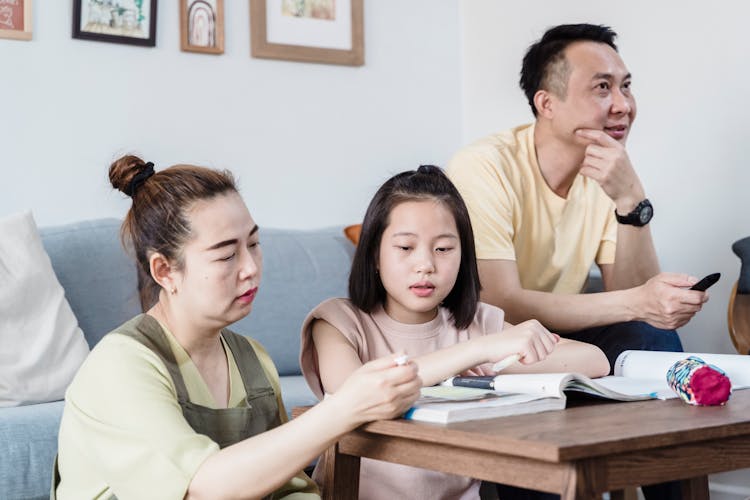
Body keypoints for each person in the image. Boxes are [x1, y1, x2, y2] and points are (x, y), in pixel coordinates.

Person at [53, 156, 422, 500]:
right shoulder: (120, 366)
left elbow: (288, 489)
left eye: (255, 244)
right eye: (227, 254)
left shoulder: (252, 361)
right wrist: (343, 408)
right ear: (165, 271)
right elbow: (200, 487)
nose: (251, 267)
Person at [446, 23, 702, 500]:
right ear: (547, 103)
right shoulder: (485, 166)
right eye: (602, 87)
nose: (623, 104)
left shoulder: (604, 173)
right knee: (633, 330)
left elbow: (642, 300)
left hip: (559, 337)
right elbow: (500, 302)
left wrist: (632, 200)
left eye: (626, 86)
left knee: (654, 336)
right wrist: (638, 303)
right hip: (487, 340)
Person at [299, 165, 610, 500]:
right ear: (374, 254)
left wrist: (498, 352)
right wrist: (476, 352)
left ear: (463, 256)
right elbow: (358, 395)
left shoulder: (473, 323)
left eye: (443, 249)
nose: (426, 265)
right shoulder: (338, 321)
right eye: (405, 248)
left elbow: (594, 360)